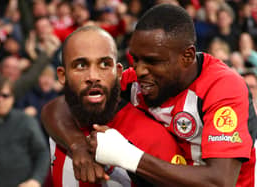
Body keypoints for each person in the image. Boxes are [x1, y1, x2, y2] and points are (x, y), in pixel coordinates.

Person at [42, 4, 257, 187]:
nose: (140, 70)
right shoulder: (138, 80)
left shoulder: (223, 88)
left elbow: (220, 181)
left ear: (187, 56)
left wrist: (127, 156)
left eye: (152, 61)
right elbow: (59, 106)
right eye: (136, 59)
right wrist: (77, 145)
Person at [42, 25, 184, 187]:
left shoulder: (153, 139)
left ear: (118, 72)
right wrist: (77, 145)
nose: (93, 77)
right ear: (62, 75)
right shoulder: (59, 125)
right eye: (81, 66)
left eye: (104, 64)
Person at [0, 76, 50, 187]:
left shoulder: (26, 121)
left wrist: (35, 180)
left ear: (13, 98)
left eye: (5, 95)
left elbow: (42, 153)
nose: (0, 100)